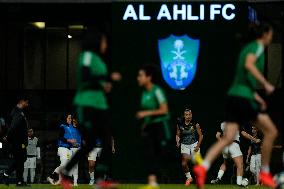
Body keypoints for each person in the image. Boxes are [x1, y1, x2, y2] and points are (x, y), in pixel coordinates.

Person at [193, 22, 278, 189]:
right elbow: (249, 65)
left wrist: (256, 97)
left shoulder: (247, 47)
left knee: (228, 138)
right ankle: (265, 172)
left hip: (234, 97)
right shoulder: (257, 46)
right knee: (271, 131)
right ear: (265, 34)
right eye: (271, 33)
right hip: (242, 98)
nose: (272, 36)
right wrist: (266, 84)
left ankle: (203, 167)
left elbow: (243, 79)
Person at [59, 29, 120, 189]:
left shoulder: (99, 60)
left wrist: (105, 85)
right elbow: (86, 76)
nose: (106, 45)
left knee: (106, 140)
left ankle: (100, 179)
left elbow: (96, 81)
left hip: (101, 105)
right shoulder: (87, 56)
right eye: (104, 41)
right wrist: (106, 79)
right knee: (90, 143)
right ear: (97, 42)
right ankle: (66, 173)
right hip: (87, 104)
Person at [136, 64, 171, 188]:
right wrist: (144, 125)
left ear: (149, 77)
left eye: (140, 75)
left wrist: (146, 113)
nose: (138, 78)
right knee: (149, 153)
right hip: (150, 127)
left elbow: (164, 109)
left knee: (164, 154)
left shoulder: (157, 91)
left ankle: (196, 160)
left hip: (161, 126)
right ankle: (152, 182)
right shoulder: (144, 93)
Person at [2, 96, 29, 186]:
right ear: (22, 101)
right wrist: (8, 136)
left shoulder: (19, 112)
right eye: (26, 102)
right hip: (17, 142)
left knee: (21, 160)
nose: (27, 104)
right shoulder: (17, 112)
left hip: (20, 141)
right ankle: (17, 180)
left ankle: (11, 177)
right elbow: (13, 126)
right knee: (20, 161)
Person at [176, 109, 203, 186]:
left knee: (197, 163)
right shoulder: (180, 124)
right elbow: (178, 134)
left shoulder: (195, 124)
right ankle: (189, 178)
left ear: (191, 115)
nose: (188, 116)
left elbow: (201, 136)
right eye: (186, 115)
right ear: (184, 116)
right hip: (184, 145)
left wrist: (198, 146)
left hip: (194, 144)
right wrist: (177, 142)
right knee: (184, 163)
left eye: (189, 114)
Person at [47, 114, 76, 185]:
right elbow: (60, 137)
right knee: (64, 164)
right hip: (62, 148)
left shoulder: (69, 127)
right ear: (65, 119)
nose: (70, 119)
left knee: (65, 165)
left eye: (71, 118)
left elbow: (69, 139)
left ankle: (59, 180)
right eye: (69, 118)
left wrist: (73, 143)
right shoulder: (62, 126)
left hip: (68, 149)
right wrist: (69, 140)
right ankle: (52, 177)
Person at [69, 118, 82, 186]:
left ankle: (75, 182)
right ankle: (69, 181)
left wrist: (79, 146)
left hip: (77, 148)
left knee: (75, 166)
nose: (74, 121)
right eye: (73, 120)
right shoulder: (69, 127)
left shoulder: (79, 129)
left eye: (75, 120)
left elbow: (80, 138)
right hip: (70, 149)